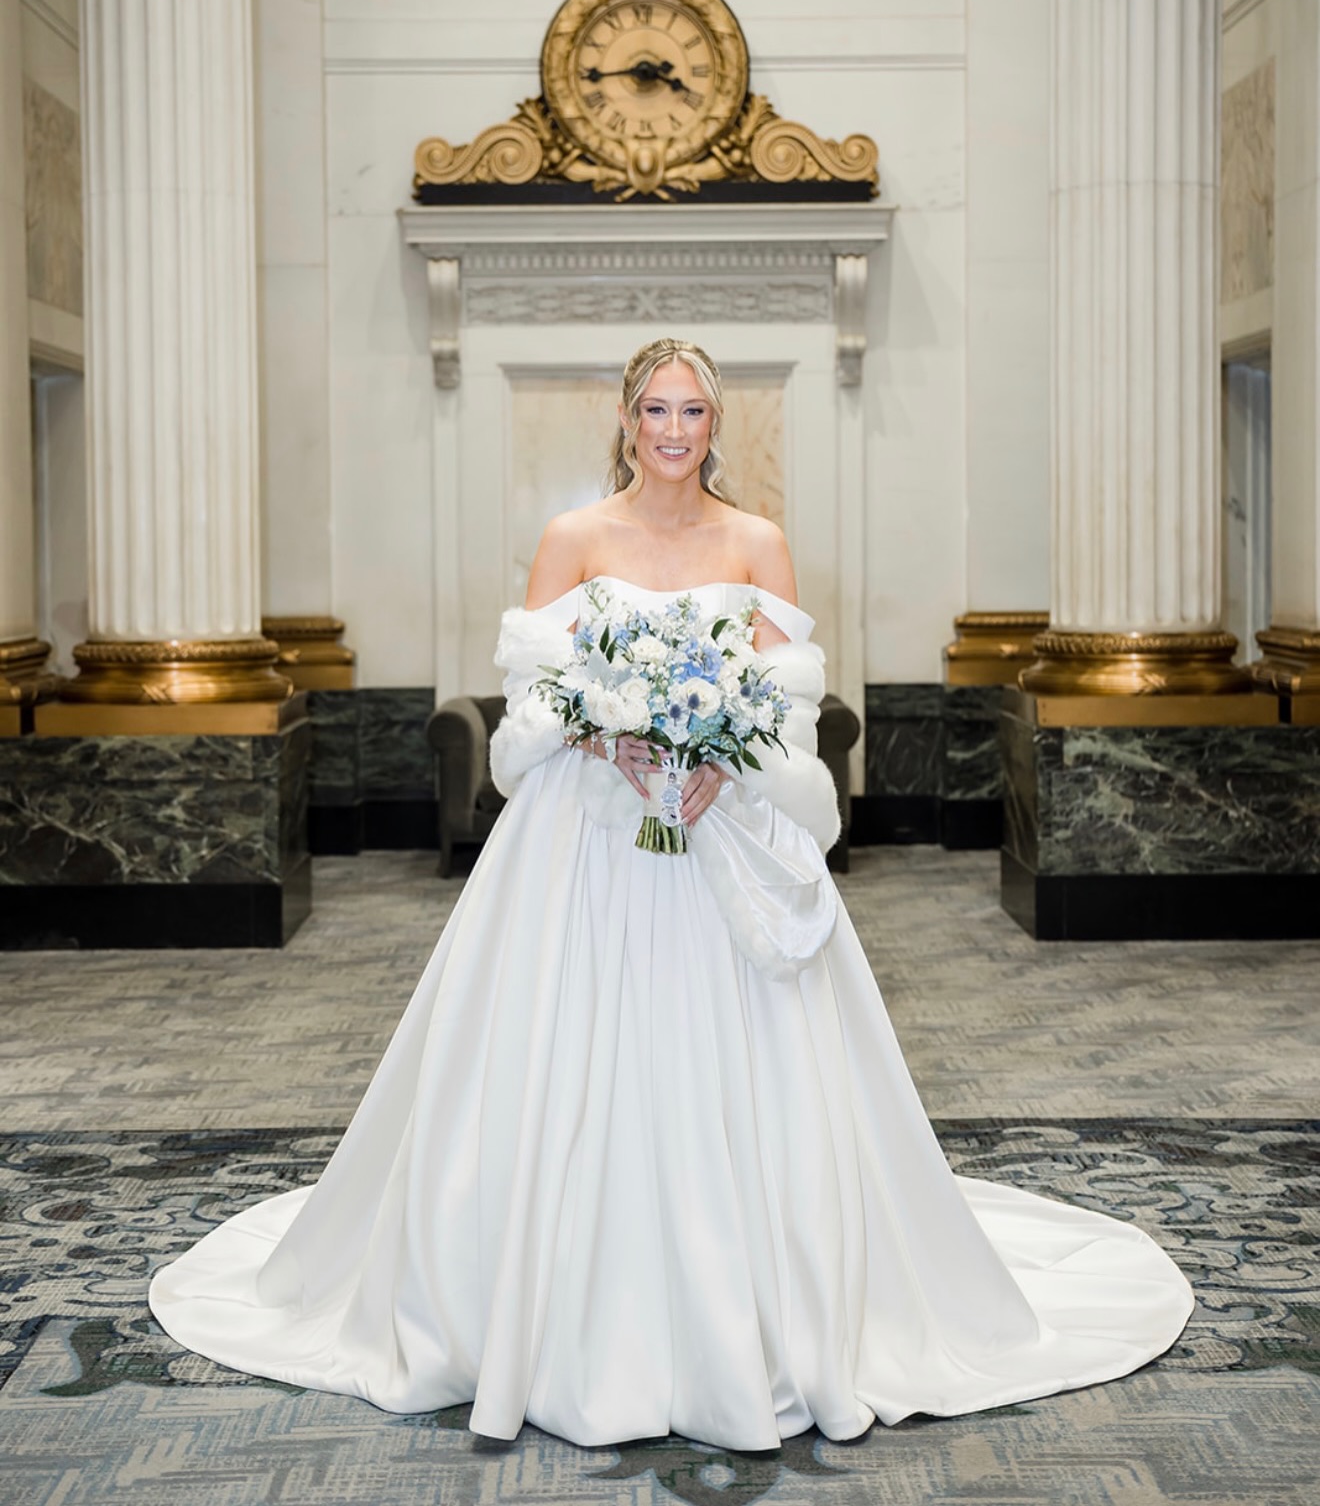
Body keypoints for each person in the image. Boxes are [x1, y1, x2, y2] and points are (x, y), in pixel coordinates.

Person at [149, 337, 1194, 1451]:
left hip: (723, 833)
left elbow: (793, 716)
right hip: (582, 850)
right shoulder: (573, 539)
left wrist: (721, 755)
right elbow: (518, 736)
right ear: (626, 417)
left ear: (715, 424)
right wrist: (606, 737)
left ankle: (757, 1313)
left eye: (694, 410)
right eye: (657, 407)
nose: (675, 429)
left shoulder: (758, 543)